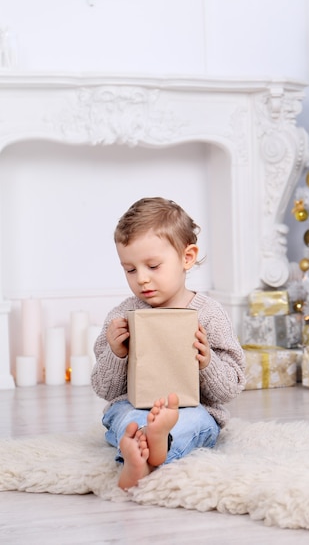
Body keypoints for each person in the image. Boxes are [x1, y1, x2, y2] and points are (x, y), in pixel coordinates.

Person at [91, 197, 246, 489]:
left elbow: (231, 388)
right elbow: (104, 389)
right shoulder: (122, 316)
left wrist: (207, 362)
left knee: (196, 423)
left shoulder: (209, 314)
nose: (142, 280)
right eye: (131, 270)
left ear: (187, 258)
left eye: (152, 266)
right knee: (125, 418)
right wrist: (116, 354)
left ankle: (151, 448)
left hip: (193, 409)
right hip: (133, 406)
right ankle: (145, 450)